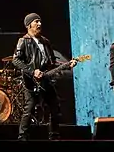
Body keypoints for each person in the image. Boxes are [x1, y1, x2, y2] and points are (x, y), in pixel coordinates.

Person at [12, 13, 77, 141]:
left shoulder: (46, 42)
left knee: (55, 107)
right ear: (28, 25)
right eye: (36, 21)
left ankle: (54, 136)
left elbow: (52, 63)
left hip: (45, 79)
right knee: (29, 108)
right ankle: (22, 137)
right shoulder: (24, 41)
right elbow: (16, 60)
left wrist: (67, 65)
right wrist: (32, 72)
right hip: (30, 81)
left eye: (40, 21)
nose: (39, 24)